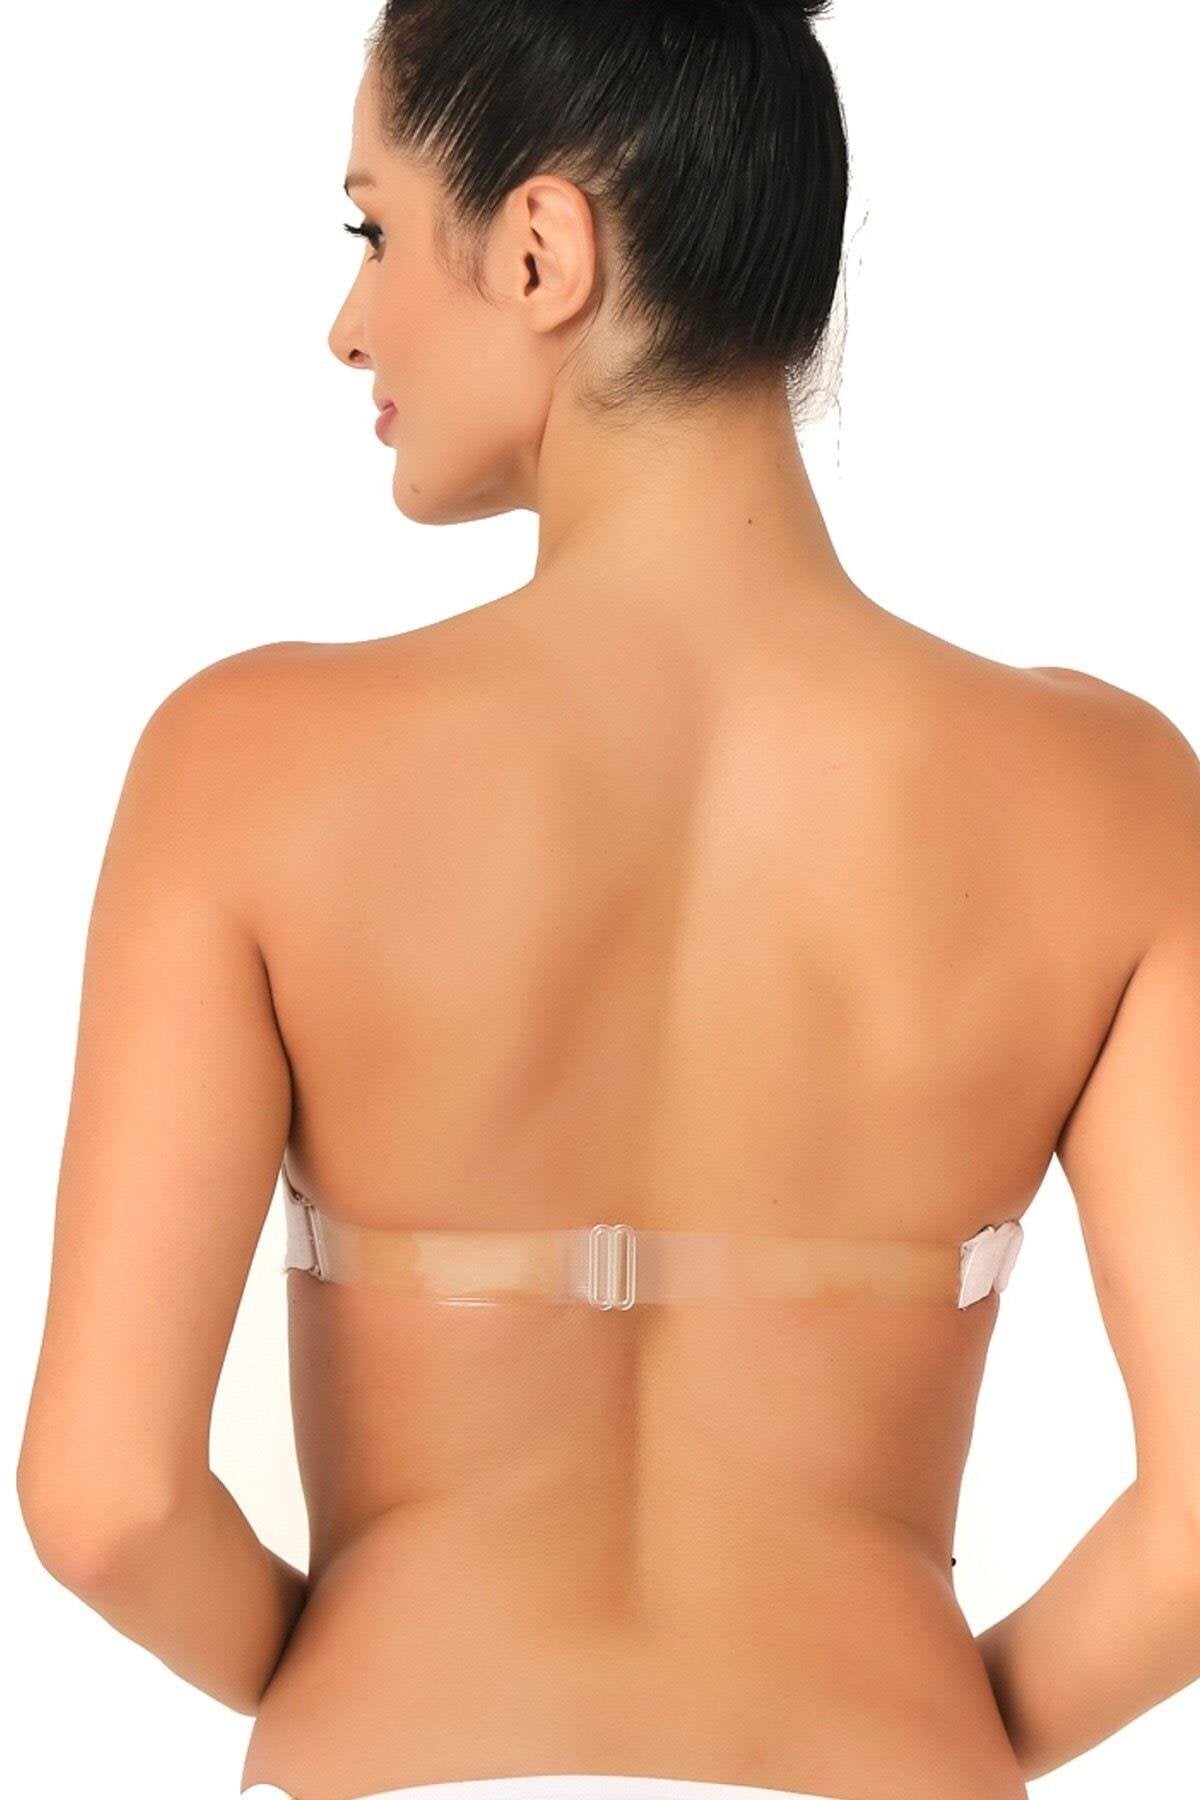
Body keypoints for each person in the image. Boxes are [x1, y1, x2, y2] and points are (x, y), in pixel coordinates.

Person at [16, 2, 1200, 1797]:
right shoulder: (1107, 794)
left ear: (540, 251)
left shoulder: (245, 763)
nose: (347, 323)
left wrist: (362, 1675)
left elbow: (103, 1503)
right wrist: (936, 1731)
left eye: (372, 229)